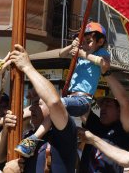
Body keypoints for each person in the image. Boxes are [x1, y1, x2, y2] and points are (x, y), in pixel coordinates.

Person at [15, 22, 110, 157]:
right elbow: (61, 54)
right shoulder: (81, 52)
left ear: (100, 42)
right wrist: (73, 46)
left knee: (57, 103)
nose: (85, 44)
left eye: (88, 41)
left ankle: (34, 139)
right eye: (84, 41)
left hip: (83, 100)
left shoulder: (100, 53)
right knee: (52, 107)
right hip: (71, 97)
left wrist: (83, 54)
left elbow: (104, 64)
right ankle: (31, 134)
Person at [0, 44, 78, 172]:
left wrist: (27, 67)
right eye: (32, 104)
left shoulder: (64, 133)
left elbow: (53, 102)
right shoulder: (28, 135)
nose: (31, 109)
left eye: (38, 103)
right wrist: (5, 130)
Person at [79, 73, 129, 173]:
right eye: (102, 105)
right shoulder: (94, 124)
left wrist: (105, 71)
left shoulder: (123, 130)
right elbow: (82, 102)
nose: (103, 108)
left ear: (119, 111)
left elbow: (125, 102)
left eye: (108, 104)